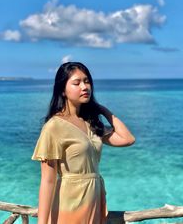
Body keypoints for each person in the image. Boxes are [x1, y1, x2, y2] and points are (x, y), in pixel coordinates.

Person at [32, 62, 135, 224]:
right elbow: (48, 180)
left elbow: (128, 139)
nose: (84, 86)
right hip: (70, 202)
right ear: (63, 91)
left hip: (93, 200)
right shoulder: (54, 126)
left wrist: (102, 109)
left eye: (87, 81)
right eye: (76, 82)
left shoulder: (91, 123)